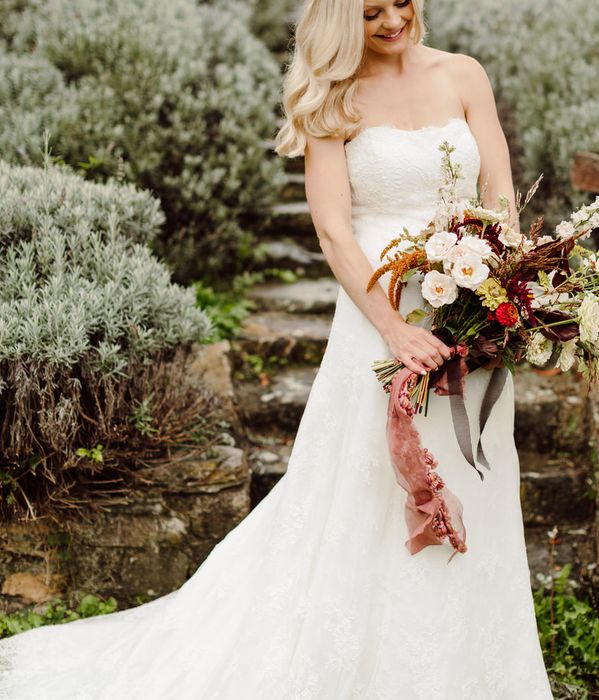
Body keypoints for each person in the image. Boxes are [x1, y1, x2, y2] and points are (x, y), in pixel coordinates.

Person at [0, 0, 553, 697]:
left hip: (472, 314)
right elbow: (332, 233)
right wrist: (395, 329)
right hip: (380, 317)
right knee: (367, 490)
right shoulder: (331, 97)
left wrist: (499, 295)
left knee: (471, 472)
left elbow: (499, 192)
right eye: (372, 11)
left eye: (402, 3)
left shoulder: (464, 74)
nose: (393, 21)